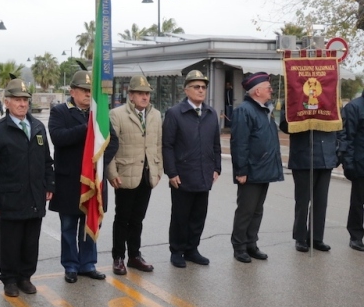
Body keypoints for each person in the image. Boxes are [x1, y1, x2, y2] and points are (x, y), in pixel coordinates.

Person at [0, 77, 54, 297]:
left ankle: (25, 277)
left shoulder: (37, 126)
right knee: (10, 241)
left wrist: (49, 183)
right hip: (10, 196)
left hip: (35, 195)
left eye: (25, 100)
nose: (23, 104)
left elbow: (47, 160)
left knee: (31, 240)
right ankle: (10, 280)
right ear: (6, 103)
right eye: (17, 100)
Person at [49, 69, 117, 283]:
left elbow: (112, 140)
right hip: (70, 179)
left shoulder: (99, 113)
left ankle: (88, 264)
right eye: (83, 90)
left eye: (90, 90)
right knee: (69, 226)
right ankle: (70, 265)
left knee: (91, 223)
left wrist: (99, 164)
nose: (88, 94)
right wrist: (86, 129)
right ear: (72, 91)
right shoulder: (60, 111)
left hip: (93, 180)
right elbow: (58, 137)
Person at [162, 70, 222, 268]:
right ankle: (177, 250)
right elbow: (167, 145)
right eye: (196, 87)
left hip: (204, 173)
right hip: (183, 174)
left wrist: (217, 167)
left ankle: (192, 249)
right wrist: (171, 172)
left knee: (198, 216)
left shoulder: (211, 113)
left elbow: (216, 144)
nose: (201, 90)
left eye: (203, 87)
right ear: (186, 90)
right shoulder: (175, 113)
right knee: (180, 216)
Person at [106, 75, 162, 275]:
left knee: (138, 218)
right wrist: (111, 172)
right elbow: (110, 147)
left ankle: (134, 256)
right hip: (125, 173)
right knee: (122, 218)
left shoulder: (155, 115)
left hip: (147, 174)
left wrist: (159, 170)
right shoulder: (117, 114)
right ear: (130, 95)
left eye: (146, 93)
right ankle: (118, 257)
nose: (144, 97)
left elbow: (158, 144)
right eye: (140, 93)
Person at [230, 72, 283, 263]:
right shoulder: (244, 111)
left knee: (257, 210)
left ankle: (251, 243)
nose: (271, 91)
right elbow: (240, 144)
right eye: (268, 88)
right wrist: (241, 170)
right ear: (257, 91)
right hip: (250, 170)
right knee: (246, 210)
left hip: (264, 169)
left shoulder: (264, 110)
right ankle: (239, 246)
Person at [279, 115, 336, 252]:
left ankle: (316, 238)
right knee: (303, 201)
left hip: (325, 157)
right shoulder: (294, 98)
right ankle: (300, 237)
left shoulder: (329, 99)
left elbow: (338, 125)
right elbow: (284, 126)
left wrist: (337, 151)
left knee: (320, 202)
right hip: (303, 157)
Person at [340, 89, 364, 252]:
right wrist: (348, 163)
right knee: (358, 203)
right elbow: (346, 137)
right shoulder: (354, 107)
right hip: (360, 163)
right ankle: (355, 236)